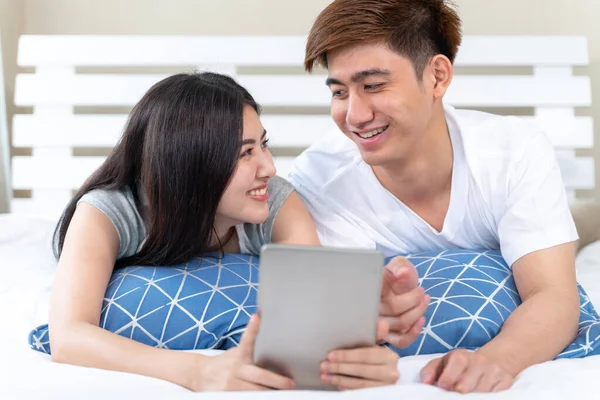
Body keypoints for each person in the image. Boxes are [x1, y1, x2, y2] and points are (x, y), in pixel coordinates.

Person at [289, 0, 581, 394]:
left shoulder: (514, 152)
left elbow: (553, 294)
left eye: (373, 86)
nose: (354, 115)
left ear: (438, 77)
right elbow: (335, 320)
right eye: (340, 92)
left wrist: (496, 361)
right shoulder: (318, 180)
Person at [48, 72, 404, 392]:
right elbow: (68, 336)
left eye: (263, 144)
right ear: (192, 165)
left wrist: (365, 352)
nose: (269, 167)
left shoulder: (277, 202)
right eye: (245, 153)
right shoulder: (106, 212)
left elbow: (313, 322)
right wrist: (199, 371)